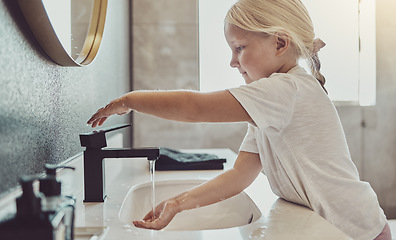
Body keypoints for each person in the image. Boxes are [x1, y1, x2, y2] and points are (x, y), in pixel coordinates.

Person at [87, 0, 391, 239]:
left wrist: (129, 101)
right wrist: (177, 204)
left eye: (240, 48)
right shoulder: (271, 102)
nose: (233, 61)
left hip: (355, 230)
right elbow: (241, 174)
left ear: (280, 43)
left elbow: (195, 108)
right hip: (347, 226)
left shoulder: (286, 89)